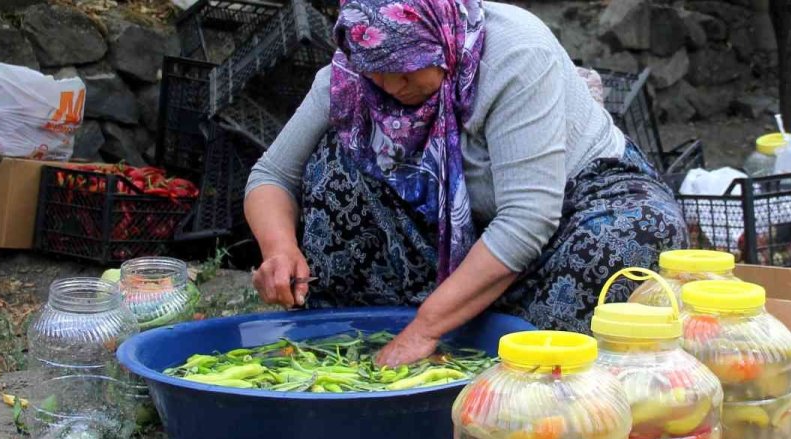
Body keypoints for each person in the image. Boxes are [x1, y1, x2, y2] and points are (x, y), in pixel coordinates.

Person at [245, 0, 686, 366]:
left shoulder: (515, 55)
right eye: (376, 71)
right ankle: (360, 329)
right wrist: (279, 248)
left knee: (633, 233)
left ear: (439, 36)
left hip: (568, 212)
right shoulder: (356, 70)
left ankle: (498, 348)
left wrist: (425, 328)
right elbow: (273, 175)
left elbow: (527, 219)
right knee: (334, 162)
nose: (392, 85)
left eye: (407, 68)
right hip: (446, 232)